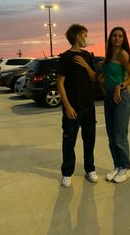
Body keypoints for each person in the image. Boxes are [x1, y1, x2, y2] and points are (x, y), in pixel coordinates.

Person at [57, 24, 98, 188]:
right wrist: (67, 106)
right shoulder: (65, 57)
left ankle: (90, 169)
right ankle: (67, 173)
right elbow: (60, 83)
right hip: (72, 108)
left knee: (89, 140)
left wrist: (86, 65)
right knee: (68, 142)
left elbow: (95, 77)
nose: (86, 38)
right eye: (84, 35)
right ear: (77, 37)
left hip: (89, 106)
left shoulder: (87, 55)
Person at [102, 26, 130, 183]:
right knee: (111, 135)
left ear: (124, 39)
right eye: (114, 36)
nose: (117, 38)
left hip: (121, 97)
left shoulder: (123, 54)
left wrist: (120, 86)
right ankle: (117, 166)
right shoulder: (109, 55)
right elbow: (103, 76)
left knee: (119, 135)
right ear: (110, 38)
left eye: (120, 36)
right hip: (108, 97)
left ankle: (126, 168)